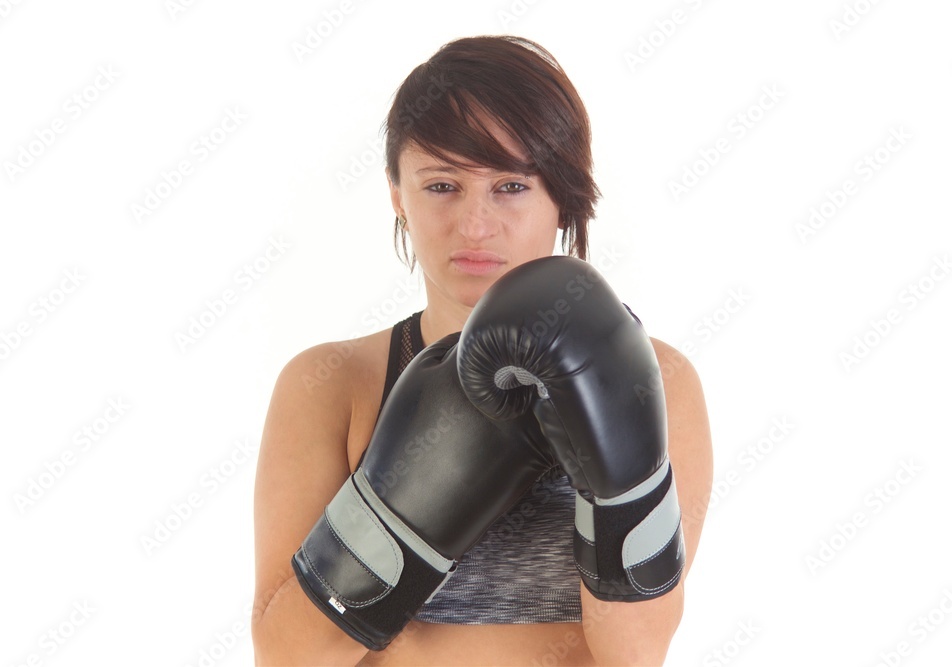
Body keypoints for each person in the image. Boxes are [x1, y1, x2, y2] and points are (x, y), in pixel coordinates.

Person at [251, 35, 714, 666]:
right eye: (442, 185)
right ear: (397, 193)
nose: (475, 225)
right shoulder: (331, 385)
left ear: (563, 196)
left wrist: (401, 645)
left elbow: (633, 653)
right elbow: (284, 656)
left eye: (512, 186)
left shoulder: (658, 381)